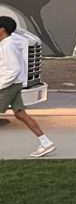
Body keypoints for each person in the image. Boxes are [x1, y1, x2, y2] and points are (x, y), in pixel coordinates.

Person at [0, 16, 55, 157]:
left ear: (2, 30)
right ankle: (46, 142)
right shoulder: (13, 41)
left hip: (8, 85)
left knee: (21, 115)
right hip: (15, 84)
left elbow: (14, 69)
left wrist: (1, 85)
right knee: (20, 114)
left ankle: (45, 142)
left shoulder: (7, 46)